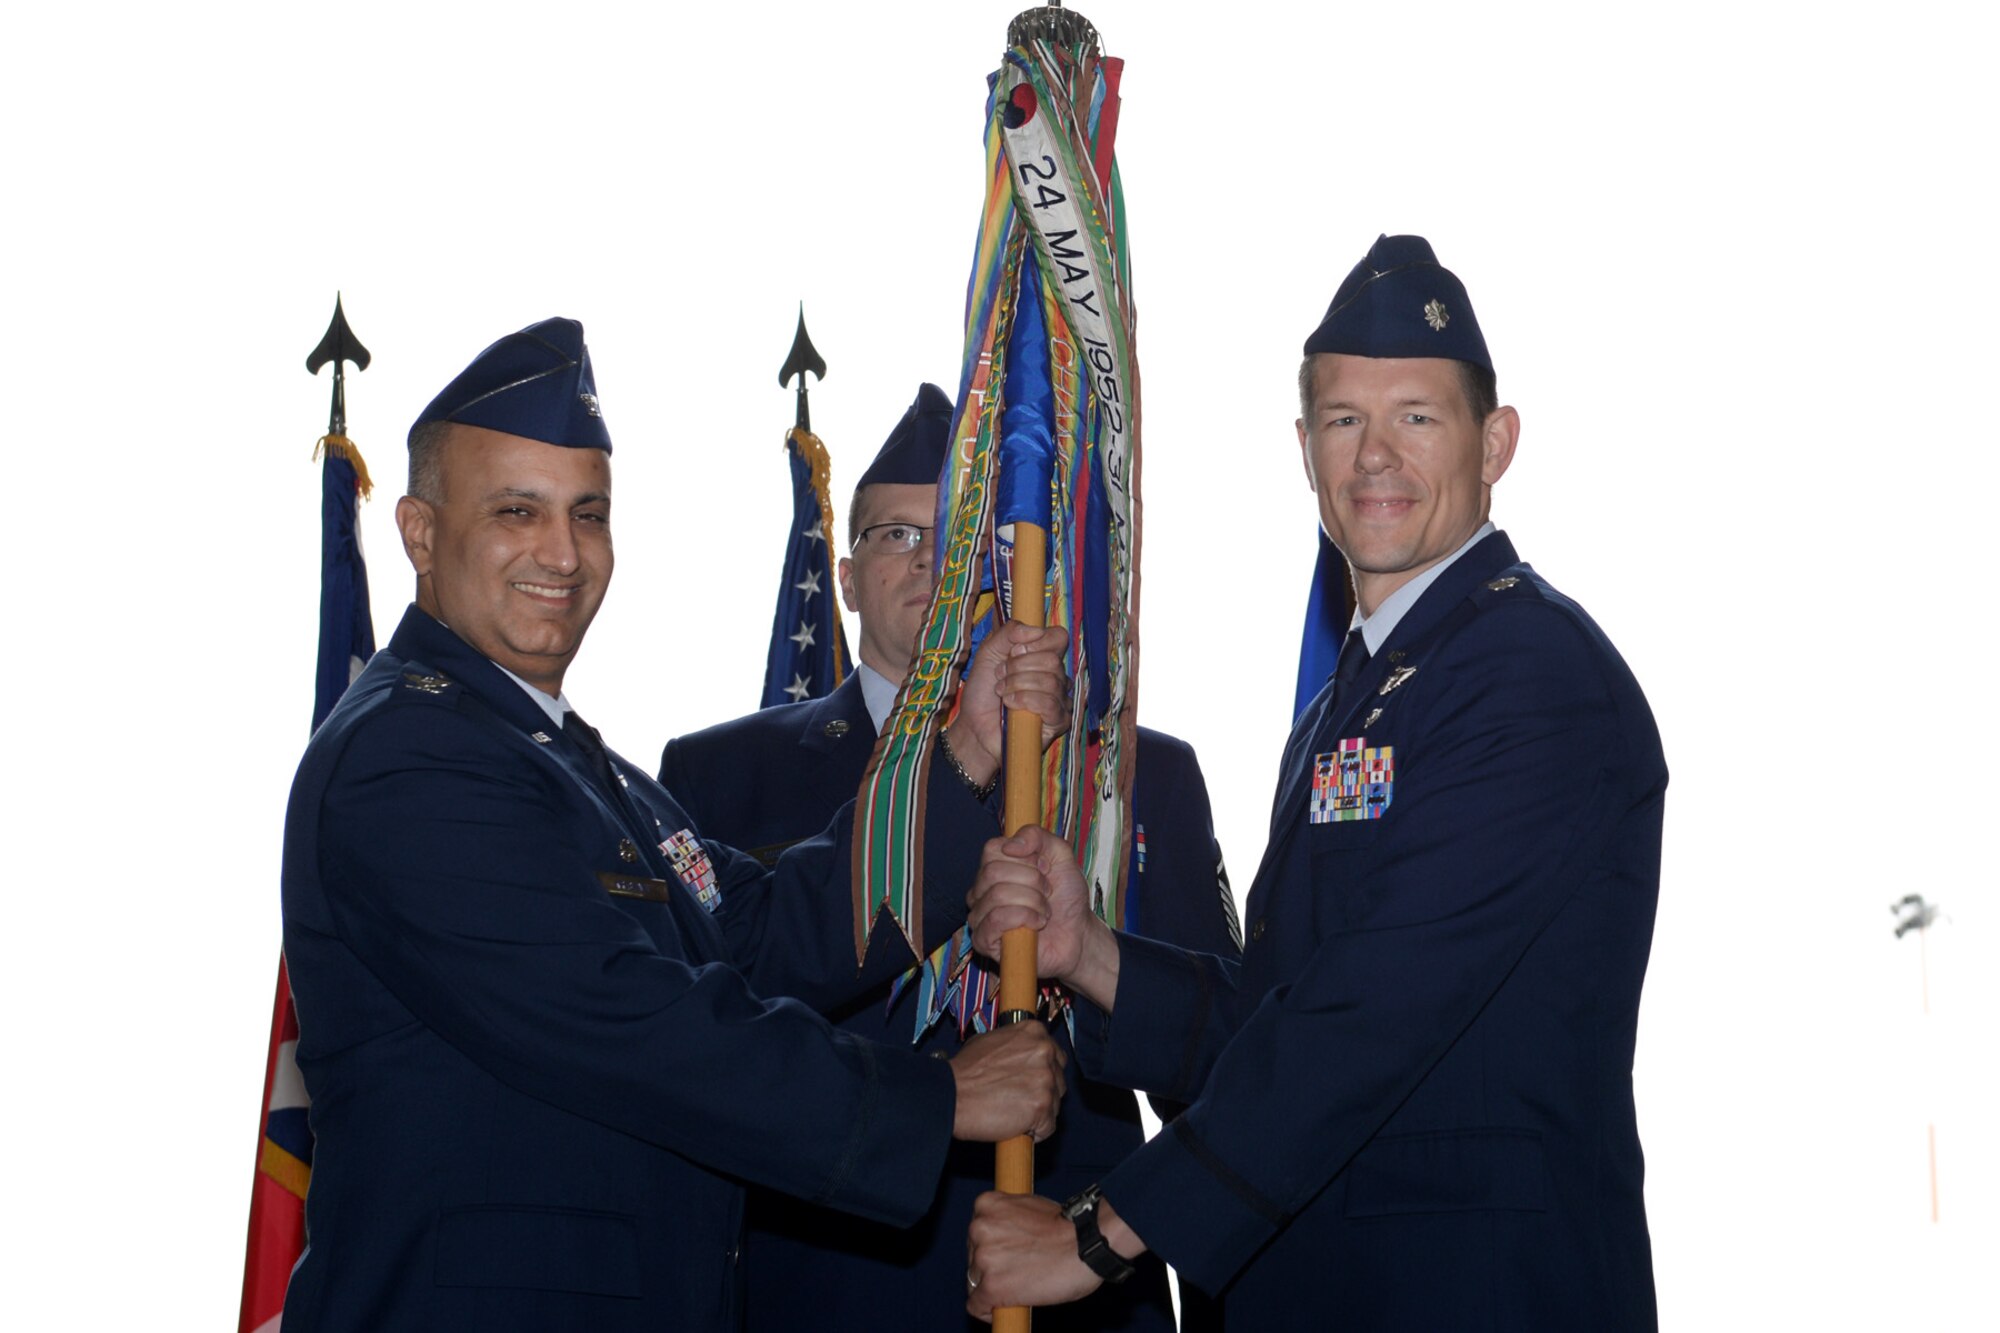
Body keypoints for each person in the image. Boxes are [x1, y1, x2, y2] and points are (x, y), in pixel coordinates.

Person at [279, 318, 1073, 1332]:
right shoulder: (406, 754)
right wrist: (935, 1099)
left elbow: (764, 933)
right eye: (517, 510)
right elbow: (628, 1021)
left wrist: (962, 752)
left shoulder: (594, 773)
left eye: (588, 513)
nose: (562, 552)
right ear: (420, 533)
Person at [966, 235, 1668, 1330]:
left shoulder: (1530, 674)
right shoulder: (1358, 694)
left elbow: (1367, 1018)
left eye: (1416, 417)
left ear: (1495, 443)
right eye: (1344, 420)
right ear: (1304, 449)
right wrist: (1087, 954)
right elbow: (1283, 1012)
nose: (1374, 455)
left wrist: (1097, 1235)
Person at [661, 382, 1243, 1333]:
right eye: (897, 534)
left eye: (961, 536)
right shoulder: (725, 774)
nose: (932, 559)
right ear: (846, 578)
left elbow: (1224, 1075)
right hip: (823, 1283)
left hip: (1074, 1280)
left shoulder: (1135, 774)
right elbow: (711, 1045)